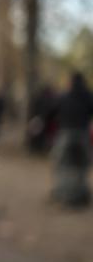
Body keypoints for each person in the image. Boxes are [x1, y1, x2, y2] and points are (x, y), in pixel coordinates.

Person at [50, 72, 93, 208]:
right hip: (82, 133)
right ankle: (81, 194)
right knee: (82, 165)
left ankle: (63, 193)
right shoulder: (88, 96)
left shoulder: (64, 96)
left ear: (71, 82)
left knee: (61, 163)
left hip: (66, 133)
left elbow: (52, 112)